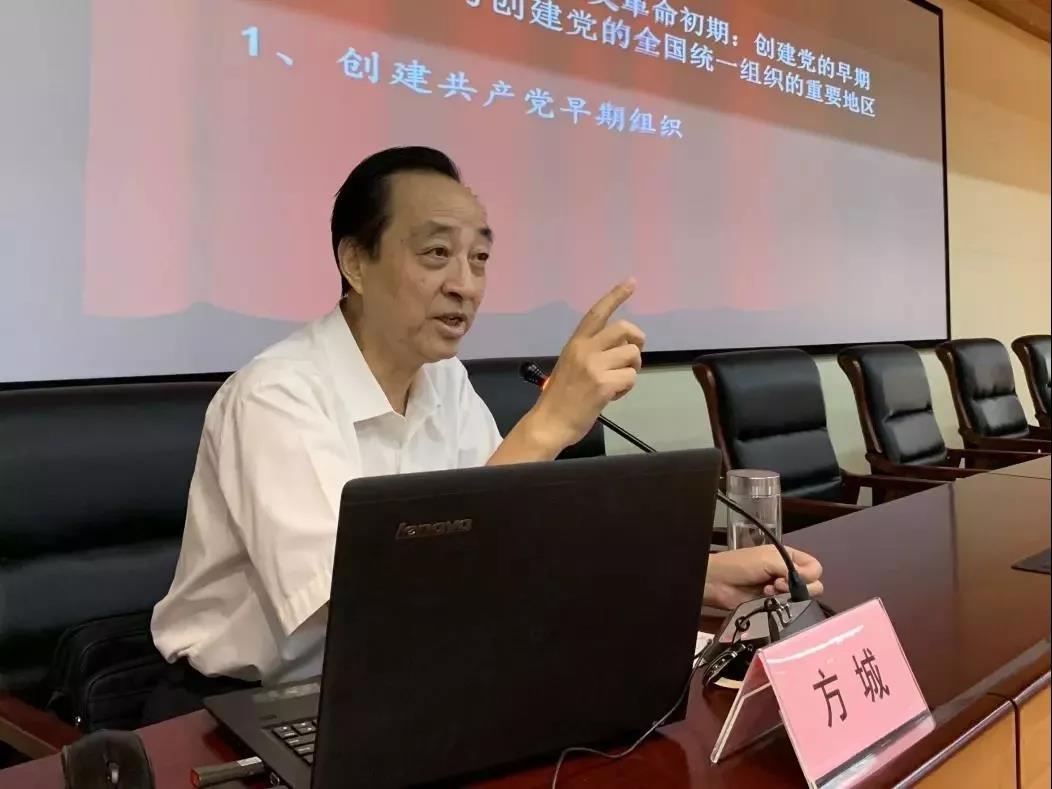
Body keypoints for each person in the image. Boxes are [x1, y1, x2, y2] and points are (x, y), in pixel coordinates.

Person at [150, 146, 822, 711]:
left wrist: (691, 577)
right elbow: (368, 610)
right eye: (436, 253)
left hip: (412, 680)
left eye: (479, 259)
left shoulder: (444, 381)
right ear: (355, 262)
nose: (465, 285)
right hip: (244, 708)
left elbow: (501, 553)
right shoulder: (277, 396)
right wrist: (547, 425)